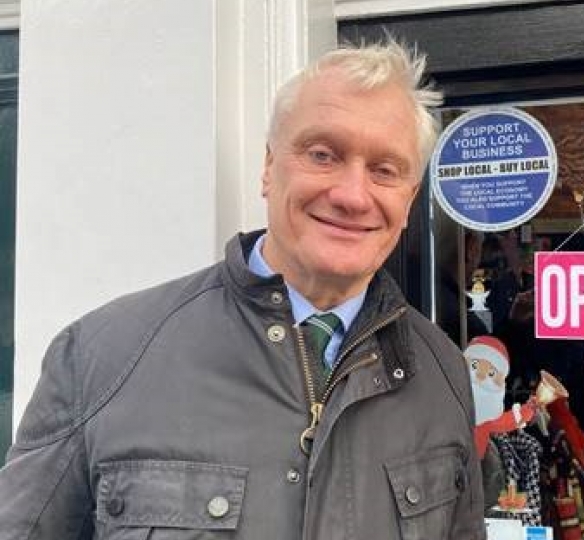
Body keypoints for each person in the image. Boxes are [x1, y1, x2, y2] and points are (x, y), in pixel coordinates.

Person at [0, 39, 485, 540]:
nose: (352, 195)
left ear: (407, 201)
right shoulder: (102, 357)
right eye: (323, 154)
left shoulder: (443, 372)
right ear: (268, 168)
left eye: (385, 170)